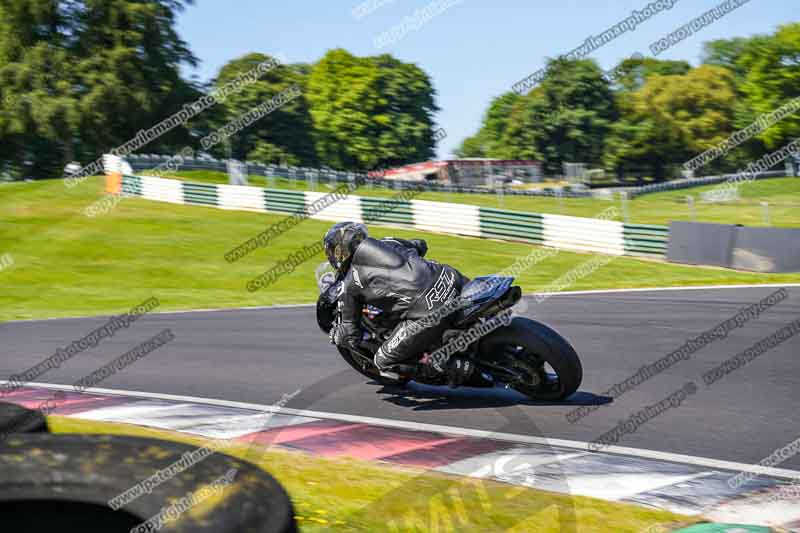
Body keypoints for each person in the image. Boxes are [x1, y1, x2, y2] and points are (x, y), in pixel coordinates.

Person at [323, 221, 474, 387]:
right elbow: (421, 245)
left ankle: (453, 367)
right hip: (452, 278)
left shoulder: (349, 284)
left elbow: (350, 333)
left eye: (334, 252)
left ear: (340, 251)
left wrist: (336, 336)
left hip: (430, 311)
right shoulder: (388, 242)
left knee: (382, 361)